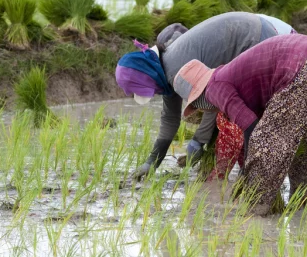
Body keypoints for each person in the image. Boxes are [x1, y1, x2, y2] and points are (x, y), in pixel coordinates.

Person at [172, 34, 307, 214]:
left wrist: (246, 175)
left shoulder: (214, 87)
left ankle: (256, 212)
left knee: (265, 142)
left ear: (199, 96)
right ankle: (302, 207)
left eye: (197, 105)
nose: (203, 109)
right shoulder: (231, 75)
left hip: (298, 64)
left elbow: (251, 128)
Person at [116, 12, 290, 180]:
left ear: (147, 77)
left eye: (147, 89)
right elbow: (170, 119)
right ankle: (250, 171)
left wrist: (198, 140)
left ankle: (258, 175)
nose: (153, 93)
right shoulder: (164, 69)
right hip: (252, 27)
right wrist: (151, 163)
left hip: (254, 39)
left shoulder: (175, 70)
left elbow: (214, 99)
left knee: (242, 113)